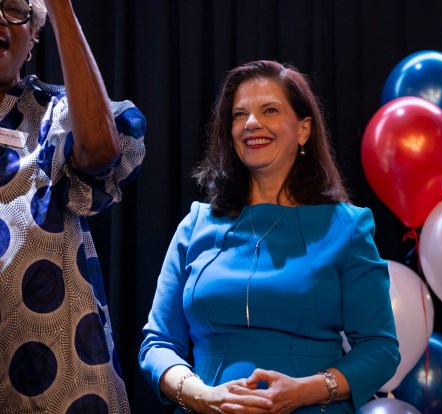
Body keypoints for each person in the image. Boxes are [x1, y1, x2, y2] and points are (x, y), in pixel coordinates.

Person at [139, 60, 399, 414]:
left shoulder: (347, 227)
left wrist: (305, 390)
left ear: (304, 130)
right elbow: (157, 344)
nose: (251, 124)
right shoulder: (196, 224)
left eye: (270, 110)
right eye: (239, 114)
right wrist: (200, 394)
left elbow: (380, 349)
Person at [0, 0, 145, 412]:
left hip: (59, 380)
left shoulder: (52, 113)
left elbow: (101, 150)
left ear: (33, 39)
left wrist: (60, 7)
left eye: (13, 10)